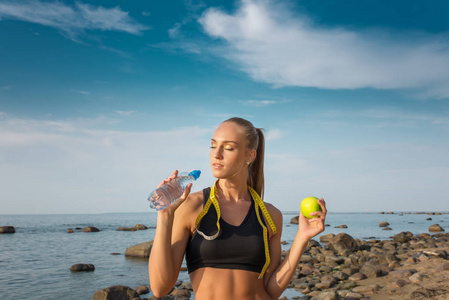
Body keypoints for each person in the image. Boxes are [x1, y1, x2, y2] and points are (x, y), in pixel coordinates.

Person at [148, 117, 327, 300]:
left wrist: (301, 237)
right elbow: (160, 288)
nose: (216, 154)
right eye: (213, 145)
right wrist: (164, 216)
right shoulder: (192, 206)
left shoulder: (270, 215)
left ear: (250, 155)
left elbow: (270, 290)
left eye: (228, 147)